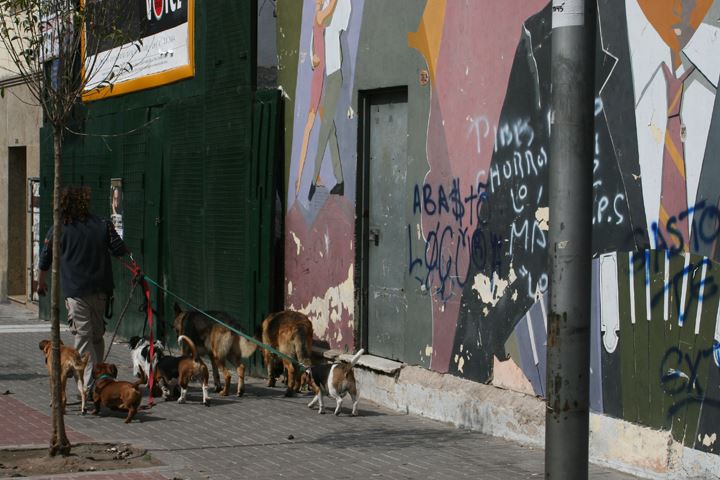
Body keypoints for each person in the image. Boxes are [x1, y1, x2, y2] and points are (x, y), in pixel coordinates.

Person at [37, 185, 130, 390]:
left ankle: (89, 386)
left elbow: (44, 259)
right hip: (100, 290)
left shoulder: (58, 229)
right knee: (96, 336)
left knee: (83, 337)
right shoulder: (103, 224)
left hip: (76, 292)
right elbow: (119, 249)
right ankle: (100, 378)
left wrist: (40, 283)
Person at [307, 0, 351, 201]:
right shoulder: (320, 13)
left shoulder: (341, 4)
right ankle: (340, 180)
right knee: (330, 130)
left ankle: (312, 181)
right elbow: (313, 36)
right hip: (323, 77)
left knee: (325, 127)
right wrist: (312, 57)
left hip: (334, 75)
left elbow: (332, 19)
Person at [295, 0, 338, 196]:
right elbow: (331, 8)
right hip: (319, 78)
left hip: (320, 76)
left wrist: (313, 57)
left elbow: (314, 47)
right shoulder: (319, 16)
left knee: (322, 126)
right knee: (310, 126)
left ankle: (315, 175)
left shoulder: (315, 19)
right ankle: (299, 179)